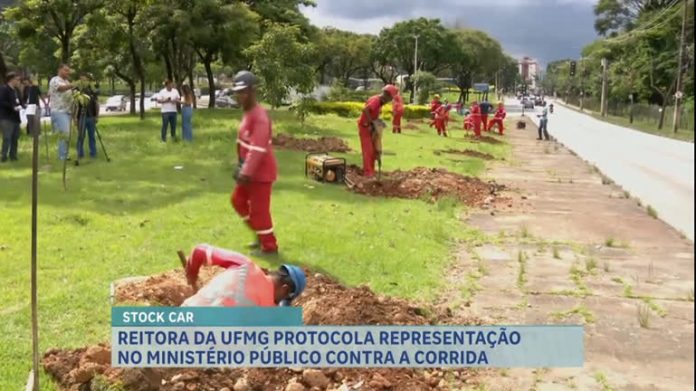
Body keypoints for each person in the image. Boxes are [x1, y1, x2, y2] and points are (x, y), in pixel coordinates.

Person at [230, 71, 279, 254]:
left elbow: (257, 149)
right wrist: (241, 165)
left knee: (260, 211)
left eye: (244, 92)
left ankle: (269, 245)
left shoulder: (260, 117)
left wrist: (246, 172)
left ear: (253, 91)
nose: (240, 96)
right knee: (238, 200)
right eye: (238, 92)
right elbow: (245, 143)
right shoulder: (249, 112)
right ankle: (260, 234)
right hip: (249, 170)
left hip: (260, 173)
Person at [182, 244, 306, 307]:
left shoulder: (244, 265)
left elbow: (199, 251)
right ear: (285, 289)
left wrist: (192, 273)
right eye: (283, 299)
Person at [357, 84, 396, 177]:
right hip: (365, 127)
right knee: (368, 151)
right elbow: (365, 110)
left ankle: (371, 171)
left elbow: (372, 113)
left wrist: (377, 122)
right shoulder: (376, 100)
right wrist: (372, 123)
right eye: (390, 98)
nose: (390, 101)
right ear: (387, 95)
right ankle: (368, 173)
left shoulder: (379, 102)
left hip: (369, 128)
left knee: (374, 151)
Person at [49, 64, 74, 160]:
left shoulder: (66, 81)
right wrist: (74, 84)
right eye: (66, 70)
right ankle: (62, 156)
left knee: (67, 134)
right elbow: (61, 88)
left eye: (69, 71)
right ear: (59, 70)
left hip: (67, 111)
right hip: (59, 111)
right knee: (65, 133)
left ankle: (65, 154)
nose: (68, 72)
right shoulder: (55, 80)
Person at [0, 72, 23, 162]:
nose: (18, 81)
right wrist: (12, 107)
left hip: (15, 117)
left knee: (15, 137)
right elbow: (2, 102)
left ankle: (13, 155)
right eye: (17, 79)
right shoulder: (4, 89)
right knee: (7, 137)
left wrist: (22, 105)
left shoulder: (16, 90)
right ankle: (3, 156)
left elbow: (20, 101)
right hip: (6, 117)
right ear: (11, 79)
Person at [76, 74, 99, 159]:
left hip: (91, 116)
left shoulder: (92, 91)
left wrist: (97, 115)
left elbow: (96, 104)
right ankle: (80, 153)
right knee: (81, 136)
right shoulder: (77, 91)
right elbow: (76, 106)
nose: (83, 82)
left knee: (92, 136)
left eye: (85, 80)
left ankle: (93, 153)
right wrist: (75, 118)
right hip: (81, 116)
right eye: (82, 80)